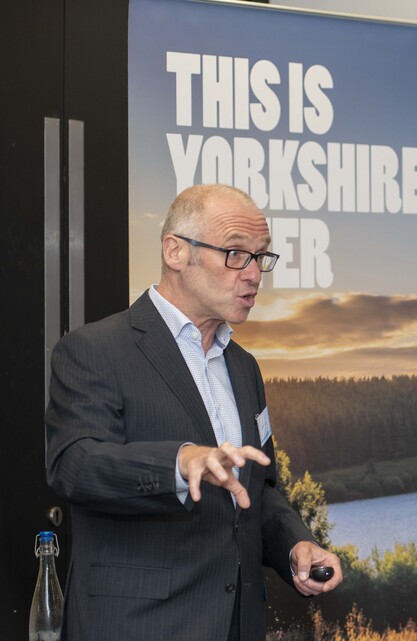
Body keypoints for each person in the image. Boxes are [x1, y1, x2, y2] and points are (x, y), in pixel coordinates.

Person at [45, 184, 342, 641]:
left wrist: (296, 545)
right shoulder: (94, 350)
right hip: (139, 627)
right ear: (175, 251)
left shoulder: (244, 368)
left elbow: (257, 490)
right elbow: (74, 465)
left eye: (261, 257)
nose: (254, 275)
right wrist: (179, 463)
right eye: (235, 254)